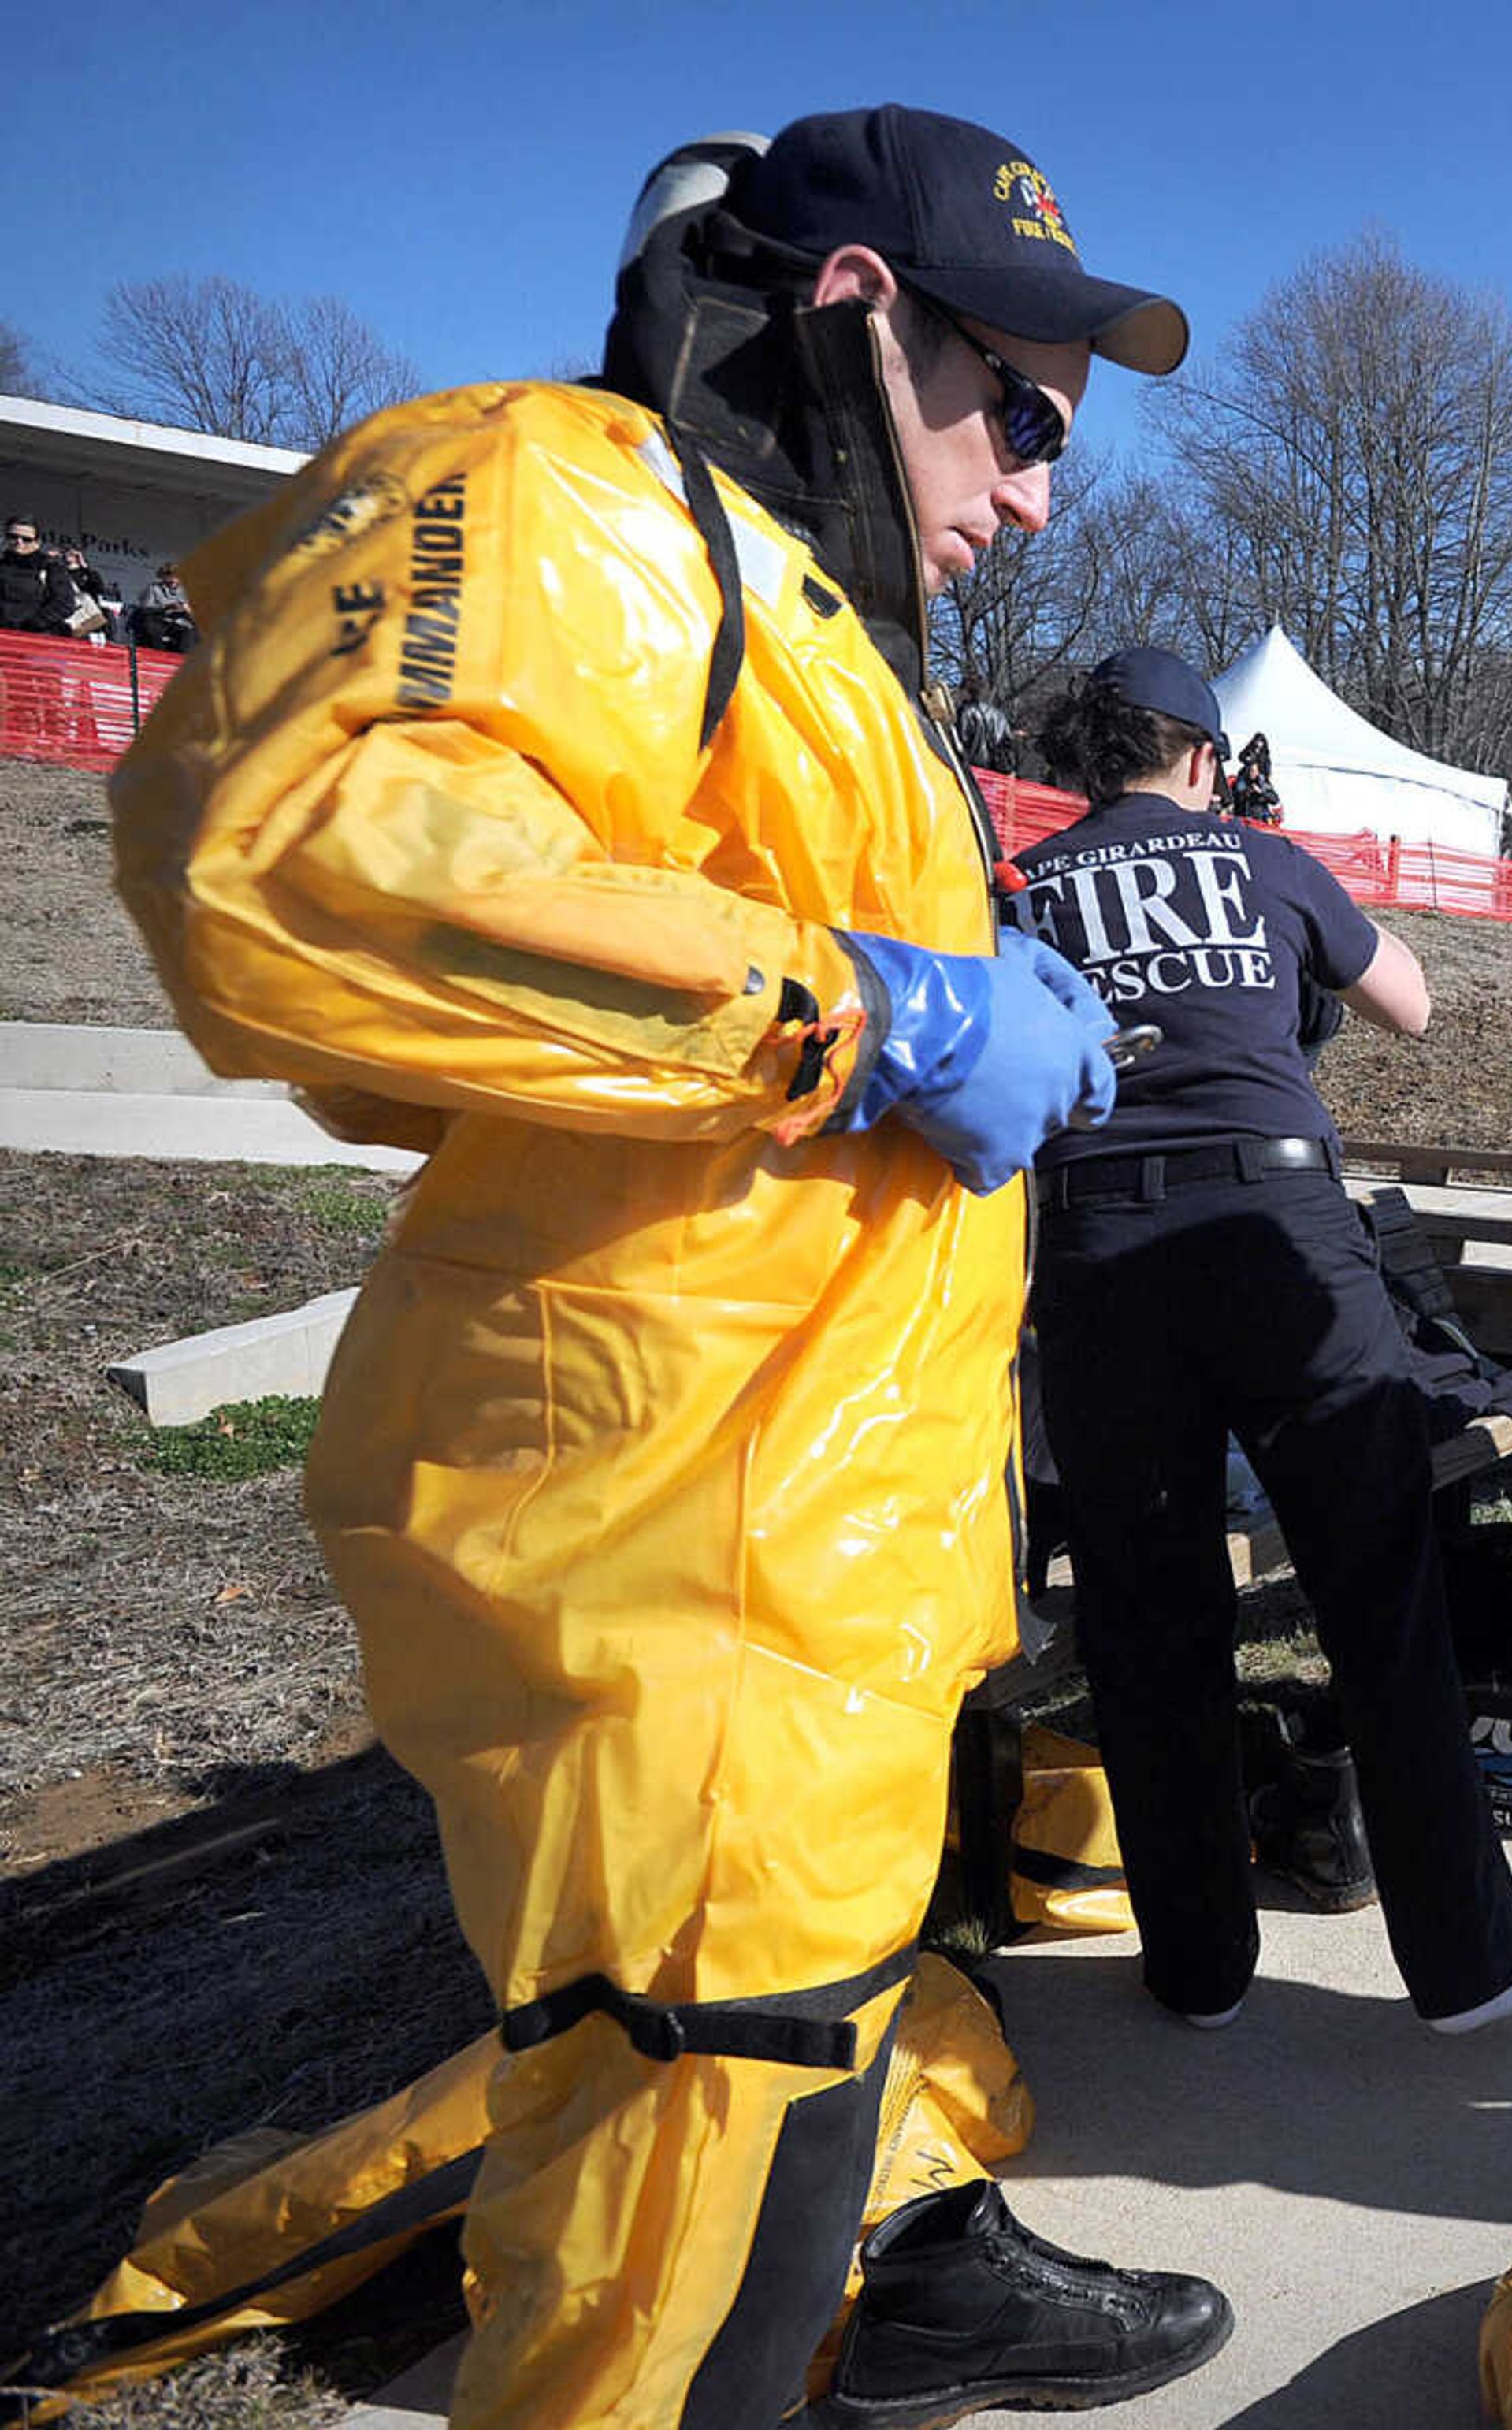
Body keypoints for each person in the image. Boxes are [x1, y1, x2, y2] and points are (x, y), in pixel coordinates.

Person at [106, 106, 1236, 2428]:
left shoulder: (816, 640)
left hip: (814, 1605)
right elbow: (300, 859)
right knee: (655, 2334)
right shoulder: (569, 501)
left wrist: (947, 1013)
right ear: (850, 319)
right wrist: (864, 1005)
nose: (1036, 490)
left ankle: (911, 2254)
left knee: (742, 2264)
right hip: (683, 1598)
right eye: (1012, 414)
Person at [1007, 645, 1512, 2038]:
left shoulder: (1024, 888)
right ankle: (1468, 1967)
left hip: (1099, 1248)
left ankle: (1199, 1967)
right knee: (1378, 1589)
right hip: (1279, 1223)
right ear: (1204, 760)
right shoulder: (1264, 860)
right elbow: (1409, 1003)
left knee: (1148, 1614)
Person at [0, 515, 80, 634]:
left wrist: (32, 624)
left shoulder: (50, 567)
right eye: (13, 536)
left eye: (26, 539)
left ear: (37, 543)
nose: (19, 542)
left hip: (36, 639)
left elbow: (65, 604)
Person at [130, 562, 198, 654]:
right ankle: (158, 656)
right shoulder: (153, 588)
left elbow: (189, 608)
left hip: (176, 621)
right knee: (152, 630)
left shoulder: (183, 590)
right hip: (156, 620)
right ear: (163, 577)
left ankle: (182, 658)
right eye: (171, 576)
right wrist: (166, 607)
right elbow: (145, 609)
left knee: (190, 631)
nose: (174, 580)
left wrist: (190, 612)